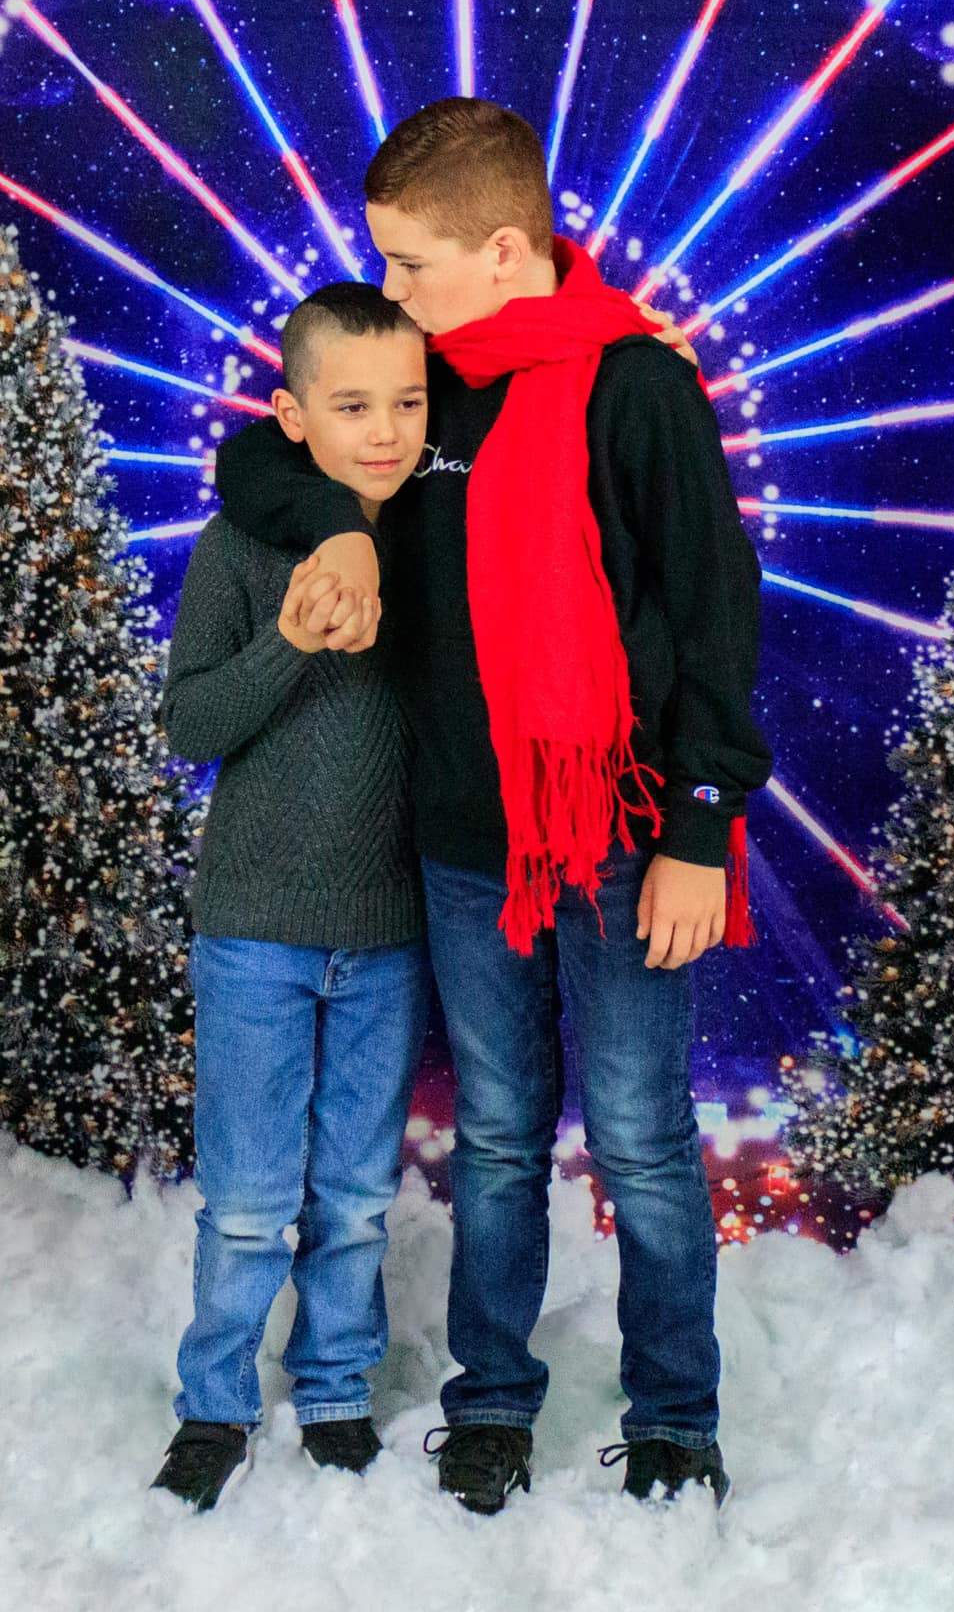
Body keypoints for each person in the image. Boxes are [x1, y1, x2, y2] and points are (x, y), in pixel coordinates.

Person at [215, 98, 771, 1513]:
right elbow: (260, 456)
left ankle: (676, 1417)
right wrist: (344, 524)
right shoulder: (427, 389)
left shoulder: (638, 390)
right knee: (503, 1138)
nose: (388, 296)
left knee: (643, 1141)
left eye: (407, 266)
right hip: (468, 850)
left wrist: (700, 831)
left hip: (629, 840)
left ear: (506, 248)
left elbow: (714, 621)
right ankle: (494, 1404)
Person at [152, 282, 431, 1512]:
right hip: (255, 929)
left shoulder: (433, 540)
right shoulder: (237, 546)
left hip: (387, 932)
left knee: (358, 1195)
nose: (384, 429)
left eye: (408, 402)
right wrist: (289, 640)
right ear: (292, 416)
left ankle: (332, 1390)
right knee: (251, 1198)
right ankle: (213, 1402)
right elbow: (189, 719)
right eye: (353, 404)